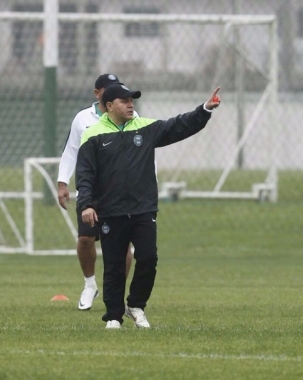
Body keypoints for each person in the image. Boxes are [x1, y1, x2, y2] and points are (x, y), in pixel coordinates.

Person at [76, 83, 221, 329]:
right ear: (109, 106)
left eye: (132, 100)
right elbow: (85, 174)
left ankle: (136, 305)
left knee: (148, 258)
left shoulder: (145, 127)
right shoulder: (92, 134)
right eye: (125, 100)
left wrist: (205, 109)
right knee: (113, 265)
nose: (131, 104)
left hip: (143, 209)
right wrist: (87, 205)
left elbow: (179, 125)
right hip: (111, 211)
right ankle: (113, 316)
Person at [57, 73, 134, 311]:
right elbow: (71, 151)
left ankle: (117, 290)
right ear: (97, 93)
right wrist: (62, 182)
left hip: (122, 190)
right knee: (85, 238)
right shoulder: (83, 118)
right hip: (91, 189)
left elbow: (141, 152)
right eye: (108, 89)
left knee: (124, 245)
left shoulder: (131, 116)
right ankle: (90, 285)